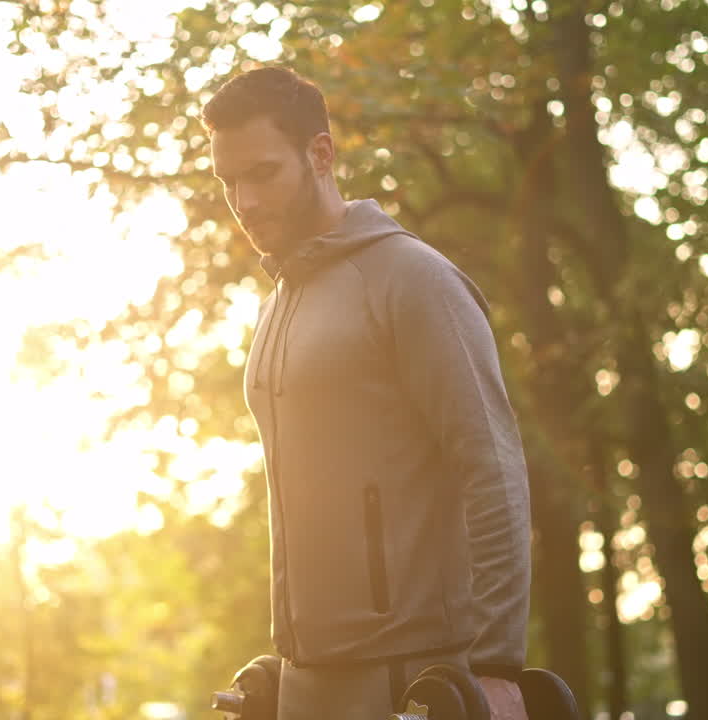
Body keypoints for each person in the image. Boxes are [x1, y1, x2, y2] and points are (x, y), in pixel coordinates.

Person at [201, 66, 532, 720]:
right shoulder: (279, 304)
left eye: (262, 173)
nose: (246, 201)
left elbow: (493, 469)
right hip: (306, 681)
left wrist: (497, 667)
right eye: (229, 182)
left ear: (319, 154)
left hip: (410, 677)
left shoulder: (413, 279)